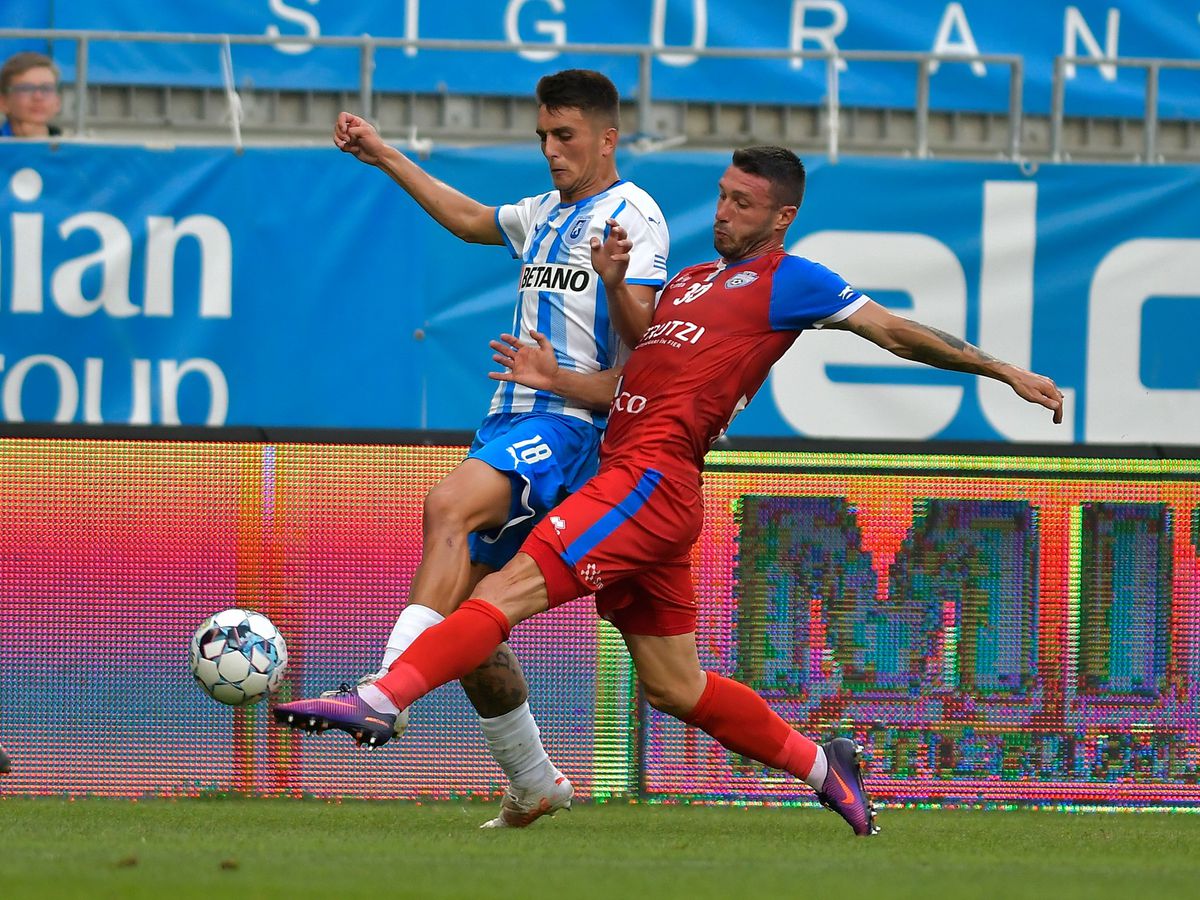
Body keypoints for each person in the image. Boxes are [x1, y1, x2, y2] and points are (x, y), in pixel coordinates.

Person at [274, 146, 1064, 836]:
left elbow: (895, 331)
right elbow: (632, 378)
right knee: (674, 685)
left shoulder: (791, 281)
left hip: (649, 481)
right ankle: (827, 766)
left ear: (781, 216)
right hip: (636, 479)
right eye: (721, 195)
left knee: (500, 589)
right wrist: (577, 350)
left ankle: (381, 695)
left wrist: (1005, 371)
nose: (722, 212)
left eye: (742, 203)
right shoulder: (686, 283)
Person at [311, 69, 670, 828]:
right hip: (507, 424)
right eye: (542, 136)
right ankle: (535, 781)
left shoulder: (632, 212)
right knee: (470, 624)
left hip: (569, 428)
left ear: (607, 138)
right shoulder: (542, 213)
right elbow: (471, 218)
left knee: (445, 503)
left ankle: (386, 689)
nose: (550, 150)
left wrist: (572, 352)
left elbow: (648, 347)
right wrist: (384, 155)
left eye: (565, 136)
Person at [0, 52, 62, 138]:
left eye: (46, 88)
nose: (38, 97)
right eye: (25, 89)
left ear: (57, 101)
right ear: (3, 102)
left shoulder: (72, 148)